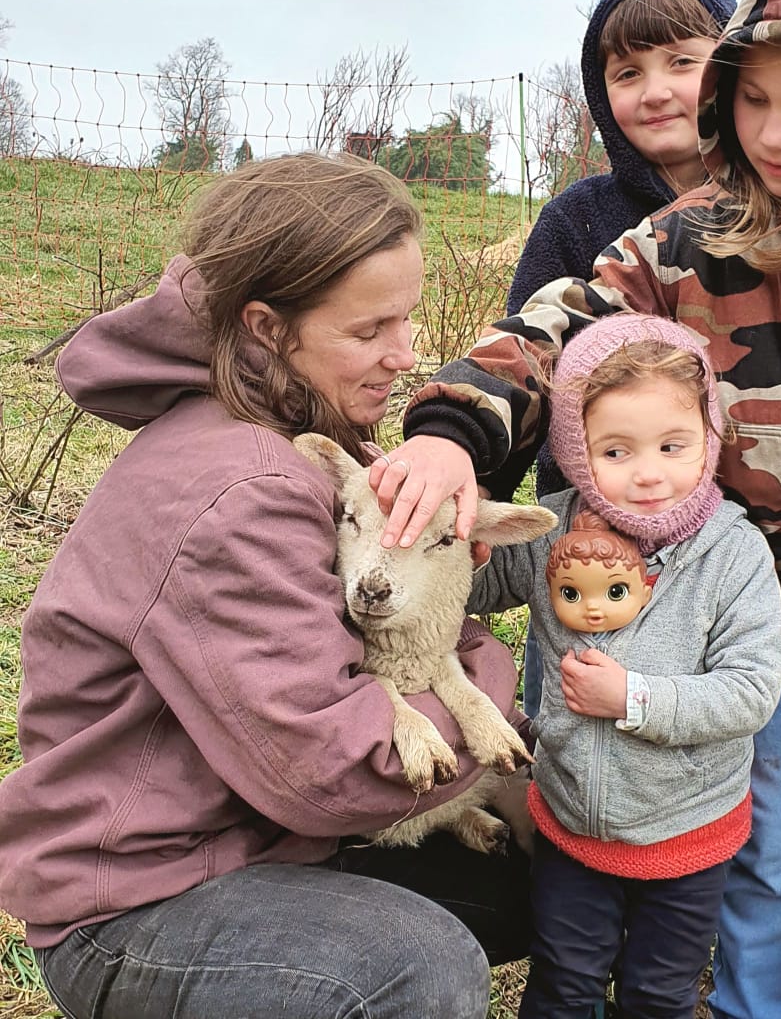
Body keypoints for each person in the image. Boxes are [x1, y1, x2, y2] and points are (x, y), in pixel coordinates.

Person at [372, 0, 781, 1018]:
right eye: (753, 99)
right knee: (764, 869)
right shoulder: (691, 238)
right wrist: (456, 429)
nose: (773, 134)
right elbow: (554, 329)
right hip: (756, 631)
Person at [0, 153, 532, 1019]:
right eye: (370, 332)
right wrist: (471, 667)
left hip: (246, 834)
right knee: (411, 969)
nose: (405, 356)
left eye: (406, 321)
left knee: (538, 838)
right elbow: (347, 773)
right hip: (136, 898)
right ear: (267, 327)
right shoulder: (244, 486)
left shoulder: (294, 425)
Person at [468, 314, 781, 1018]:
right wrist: (454, 537)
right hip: (573, 824)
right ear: (578, 454)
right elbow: (475, 587)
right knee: (564, 982)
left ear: (709, 436)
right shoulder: (553, 530)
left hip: (688, 832)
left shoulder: (732, 555)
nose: (648, 474)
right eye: (616, 451)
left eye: (674, 445)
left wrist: (634, 698)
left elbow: (751, 691)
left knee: (658, 993)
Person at [503, 0, 736, 719]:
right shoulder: (578, 220)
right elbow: (531, 370)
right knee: (574, 714)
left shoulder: (777, 210)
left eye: (682, 62)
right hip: (596, 542)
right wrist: (480, 491)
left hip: (731, 533)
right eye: (627, 72)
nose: (656, 90)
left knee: (710, 707)